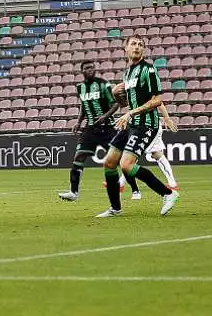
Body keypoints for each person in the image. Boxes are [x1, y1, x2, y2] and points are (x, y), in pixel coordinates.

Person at [98, 35, 179, 217]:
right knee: (110, 162)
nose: (137, 47)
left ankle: (168, 193)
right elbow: (126, 103)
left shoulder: (148, 70)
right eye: (133, 44)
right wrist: (116, 94)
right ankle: (115, 209)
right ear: (125, 48)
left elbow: (157, 100)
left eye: (140, 45)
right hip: (131, 123)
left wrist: (131, 113)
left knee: (126, 165)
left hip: (146, 125)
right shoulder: (128, 73)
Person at [58, 61, 121, 202]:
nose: (90, 70)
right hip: (90, 129)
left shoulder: (104, 84)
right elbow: (84, 106)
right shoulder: (80, 88)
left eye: (92, 67)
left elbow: (116, 103)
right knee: (79, 157)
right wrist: (79, 122)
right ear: (82, 71)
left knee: (120, 161)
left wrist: (104, 116)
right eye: (87, 68)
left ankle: (132, 185)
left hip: (107, 129)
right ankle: (73, 192)